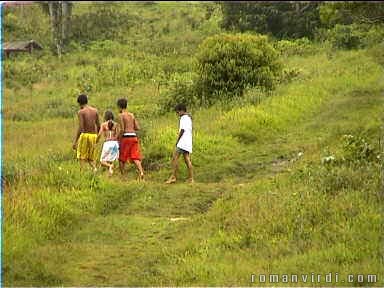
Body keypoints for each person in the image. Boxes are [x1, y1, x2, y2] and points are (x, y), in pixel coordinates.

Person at [117, 98, 145, 181]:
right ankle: (141, 172)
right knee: (135, 156)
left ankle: (123, 176)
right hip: (134, 136)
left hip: (126, 137)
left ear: (119, 106)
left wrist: (118, 138)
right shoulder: (131, 115)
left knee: (122, 157)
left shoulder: (120, 115)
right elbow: (137, 127)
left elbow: (122, 129)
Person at [166, 103, 194, 184]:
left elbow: (182, 130)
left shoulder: (183, 118)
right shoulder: (189, 118)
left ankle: (173, 177)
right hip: (188, 141)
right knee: (187, 159)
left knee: (175, 157)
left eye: (178, 112)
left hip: (183, 141)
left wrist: (177, 140)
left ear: (181, 111)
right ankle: (191, 178)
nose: (177, 114)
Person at [72, 94, 101, 171]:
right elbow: (98, 125)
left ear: (79, 103)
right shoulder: (95, 111)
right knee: (91, 157)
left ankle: (82, 172)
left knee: (81, 157)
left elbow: (81, 127)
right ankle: (94, 169)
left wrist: (75, 141)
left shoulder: (81, 112)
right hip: (93, 136)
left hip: (85, 135)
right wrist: (98, 137)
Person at [97, 110, 120, 176]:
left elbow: (99, 134)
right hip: (115, 143)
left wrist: (96, 140)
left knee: (102, 160)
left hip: (107, 143)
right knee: (112, 159)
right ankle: (110, 170)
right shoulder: (116, 124)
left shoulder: (103, 124)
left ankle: (109, 167)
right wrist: (115, 138)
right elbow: (118, 134)